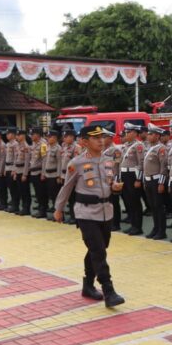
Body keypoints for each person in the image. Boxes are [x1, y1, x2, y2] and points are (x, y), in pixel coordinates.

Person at [53, 126, 125, 308]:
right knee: (98, 250)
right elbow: (67, 187)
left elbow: (109, 182)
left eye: (102, 137)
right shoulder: (76, 163)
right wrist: (58, 209)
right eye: (95, 138)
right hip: (85, 212)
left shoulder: (109, 161)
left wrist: (115, 187)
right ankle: (109, 291)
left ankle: (87, 285)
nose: (100, 141)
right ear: (84, 142)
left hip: (106, 210)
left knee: (99, 249)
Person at [143, 126, 169, 240]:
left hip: (156, 180)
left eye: (151, 134)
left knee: (159, 207)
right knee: (153, 206)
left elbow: (163, 167)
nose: (148, 136)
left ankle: (161, 231)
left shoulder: (161, 149)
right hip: (149, 180)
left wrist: (161, 183)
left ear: (157, 136)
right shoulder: (149, 147)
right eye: (148, 134)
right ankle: (156, 228)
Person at [119, 123, 145, 235]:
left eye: (128, 132)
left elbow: (141, 163)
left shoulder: (138, 146)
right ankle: (133, 225)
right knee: (129, 202)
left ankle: (138, 227)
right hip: (125, 175)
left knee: (135, 202)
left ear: (135, 133)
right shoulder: (126, 145)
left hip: (133, 176)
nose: (126, 134)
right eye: (126, 132)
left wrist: (139, 179)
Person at [102, 134, 123, 230]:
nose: (101, 139)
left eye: (104, 137)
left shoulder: (115, 150)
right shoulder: (102, 149)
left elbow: (117, 165)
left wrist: (116, 179)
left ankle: (116, 223)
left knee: (113, 202)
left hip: (112, 179)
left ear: (110, 138)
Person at [28, 128, 49, 218]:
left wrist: (43, 173)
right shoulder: (34, 144)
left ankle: (43, 210)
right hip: (33, 172)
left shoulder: (43, 144)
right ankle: (40, 207)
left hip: (39, 171)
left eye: (33, 134)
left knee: (41, 192)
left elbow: (44, 159)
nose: (31, 136)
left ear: (38, 135)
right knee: (37, 192)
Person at [42, 130, 62, 220]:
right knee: (50, 195)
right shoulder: (46, 147)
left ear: (54, 138)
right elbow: (44, 161)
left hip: (54, 175)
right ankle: (54, 212)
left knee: (56, 196)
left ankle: (59, 214)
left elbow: (60, 163)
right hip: (48, 174)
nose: (48, 138)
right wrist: (43, 173)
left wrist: (58, 175)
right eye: (47, 137)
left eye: (49, 137)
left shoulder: (58, 148)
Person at [13, 129, 31, 216]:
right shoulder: (18, 146)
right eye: (17, 135)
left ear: (23, 136)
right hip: (18, 170)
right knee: (20, 190)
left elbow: (27, 161)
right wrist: (15, 172)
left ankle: (26, 208)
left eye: (18, 135)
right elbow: (16, 159)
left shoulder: (26, 147)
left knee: (25, 191)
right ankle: (23, 207)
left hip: (23, 170)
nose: (17, 137)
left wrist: (25, 174)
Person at [4, 128, 20, 213]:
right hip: (7, 168)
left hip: (12, 168)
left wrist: (14, 169)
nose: (7, 135)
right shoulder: (8, 144)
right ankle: (13, 204)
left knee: (14, 189)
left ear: (13, 135)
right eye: (6, 134)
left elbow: (16, 158)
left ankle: (15, 205)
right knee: (10, 188)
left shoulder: (15, 144)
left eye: (8, 134)